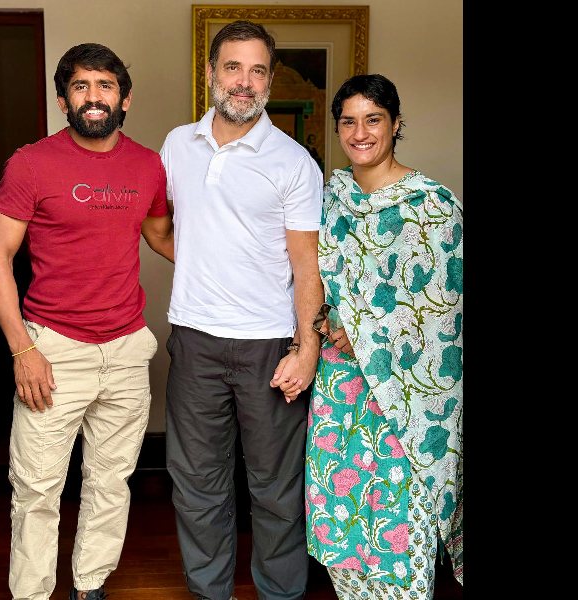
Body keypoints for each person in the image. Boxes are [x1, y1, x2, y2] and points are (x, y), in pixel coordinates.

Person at [0, 42, 174, 600]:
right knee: (38, 487)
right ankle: (33, 593)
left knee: (111, 482)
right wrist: (23, 351)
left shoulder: (147, 165)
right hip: (52, 349)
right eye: (81, 86)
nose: (94, 97)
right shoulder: (31, 163)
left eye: (105, 85)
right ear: (64, 99)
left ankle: (89, 585)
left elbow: (162, 236)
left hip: (126, 348)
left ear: (125, 98)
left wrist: (243, 271)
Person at [159, 19, 324, 600]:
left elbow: (309, 266)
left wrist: (307, 350)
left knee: (276, 490)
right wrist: (208, 265)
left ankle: (279, 593)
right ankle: (210, 592)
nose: (244, 82)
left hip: (269, 345)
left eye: (257, 71)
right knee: (196, 484)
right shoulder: (177, 144)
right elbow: (162, 229)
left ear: (271, 80)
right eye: (233, 67)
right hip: (196, 341)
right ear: (211, 73)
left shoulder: (294, 162)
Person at [301, 74, 463, 600]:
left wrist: (367, 331)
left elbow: (447, 306)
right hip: (341, 384)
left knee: (398, 511)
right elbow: (306, 276)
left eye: (373, 120)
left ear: (395, 124)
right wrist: (329, 321)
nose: (360, 133)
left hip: (408, 396)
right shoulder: (330, 196)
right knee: (340, 512)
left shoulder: (435, 206)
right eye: (348, 121)